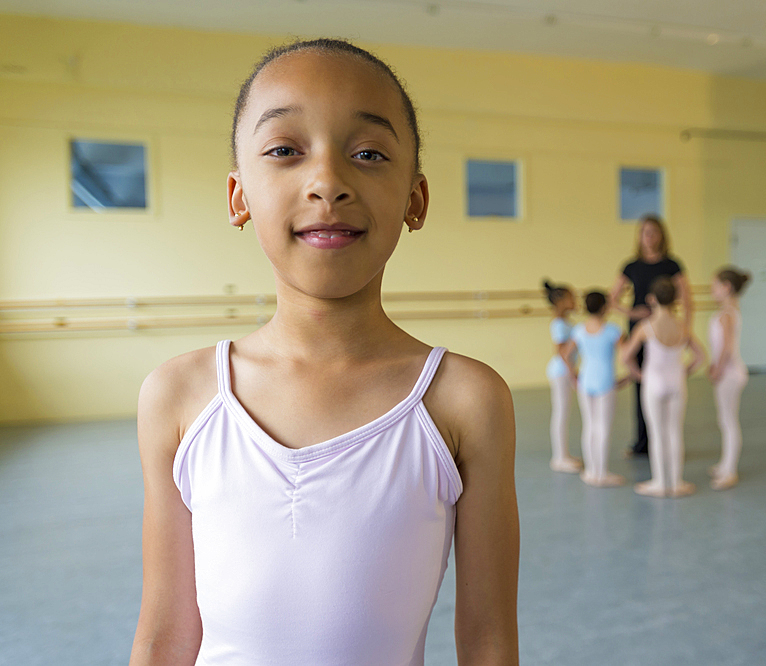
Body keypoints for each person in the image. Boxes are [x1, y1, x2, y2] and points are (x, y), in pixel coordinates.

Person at [129, 39, 519, 666]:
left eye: (367, 153)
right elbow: (165, 636)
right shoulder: (179, 396)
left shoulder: (464, 400)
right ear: (239, 198)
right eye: (285, 150)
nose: (328, 182)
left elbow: (489, 640)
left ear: (415, 200)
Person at [610, 214, 692, 457]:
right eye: (645, 232)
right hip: (640, 328)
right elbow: (612, 299)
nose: (650, 237)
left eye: (654, 232)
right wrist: (632, 311)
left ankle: (666, 439)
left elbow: (687, 299)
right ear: (640, 236)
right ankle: (643, 441)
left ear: (662, 236)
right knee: (642, 382)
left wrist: (685, 330)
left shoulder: (672, 265)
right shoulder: (631, 265)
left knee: (668, 379)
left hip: (666, 327)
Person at [620, 277, 705, 498]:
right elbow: (700, 356)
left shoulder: (645, 327)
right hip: (676, 383)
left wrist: (638, 374)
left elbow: (625, 356)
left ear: (651, 299)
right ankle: (676, 483)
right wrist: (684, 371)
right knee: (675, 432)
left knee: (657, 434)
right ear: (675, 299)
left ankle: (660, 483)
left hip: (654, 383)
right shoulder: (682, 327)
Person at [560, 291, 630, 487]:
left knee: (589, 426)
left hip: (586, 380)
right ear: (605, 307)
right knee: (603, 427)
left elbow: (565, 354)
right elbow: (626, 356)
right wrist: (630, 375)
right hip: (605, 381)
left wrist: (573, 376)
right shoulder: (613, 331)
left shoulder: (579, 330)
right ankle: (601, 473)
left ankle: (591, 472)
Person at [708, 267, 751, 491]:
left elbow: (726, 347)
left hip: (729, 373)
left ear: (726, 287)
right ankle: (725, 465)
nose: (711, 289)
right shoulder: (730, 309)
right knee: (725, 419)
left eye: (715, 285)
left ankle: (730, 470)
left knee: (728, 420)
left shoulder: (726, 314)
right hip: (730, 372)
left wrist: (717, 369)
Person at [543, 280, 583, 473]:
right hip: (560, 372)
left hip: (564, 371)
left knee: (564, 413)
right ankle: (559, 458)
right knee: (561, 412)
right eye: (571, 297)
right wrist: (572, 372)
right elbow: (561, 351)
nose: (575, 300)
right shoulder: (559, 324)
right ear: (561, 302)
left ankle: (564, 454)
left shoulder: (566, 322)